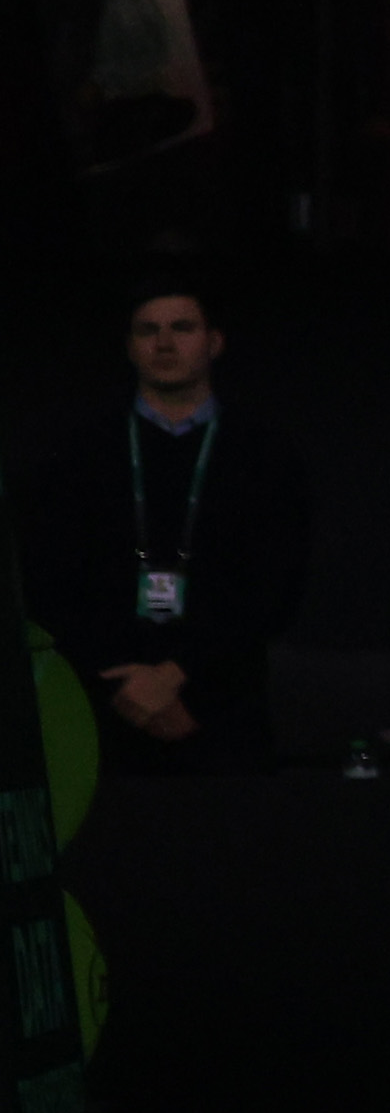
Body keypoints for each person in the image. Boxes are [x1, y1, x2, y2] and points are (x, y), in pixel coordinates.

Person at [35, 280, 306, 772]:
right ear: (130, 346)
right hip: (107, 700)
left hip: (222, 705)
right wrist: (130, 681)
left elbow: (276, 587)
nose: (164, 343)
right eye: (148, 330)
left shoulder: (263, 452)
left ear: (214, 342)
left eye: (182, 328)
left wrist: (180, 674)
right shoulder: (82, 451)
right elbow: (52, 579)